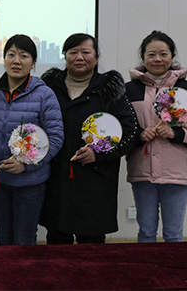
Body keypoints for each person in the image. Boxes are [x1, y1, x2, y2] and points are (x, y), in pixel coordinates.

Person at [39, 33, 139, 244]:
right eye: (73, 52)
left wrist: (99, 154)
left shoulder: (109, 89)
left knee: (92, 246)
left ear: (96, 57)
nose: (79, 57)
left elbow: (130, 131)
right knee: (57, 242)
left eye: (85, 52)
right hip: (57, 178)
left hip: (96, 180)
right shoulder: (49, 88)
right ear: (65, 56)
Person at [124, 31, 187, 243]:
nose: (157, 59)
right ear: (143, 58)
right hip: (142, 170)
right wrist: (139, 134)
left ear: (172, 57)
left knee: (173, 234)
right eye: (151, 54)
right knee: (146, 231)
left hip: (177, 172)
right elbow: (121, 127)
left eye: (163, 54)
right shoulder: (128, 90)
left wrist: (177, 133)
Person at [0, 34, 64, 245]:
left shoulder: (44, 94)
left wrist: (25, 165)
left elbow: (55, 138)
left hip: (30, 182)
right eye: (11, 55)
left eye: (24, 56)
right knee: (3, 237)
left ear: (33, 63)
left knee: (24, 238)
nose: (16, 61)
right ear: (4, 59)